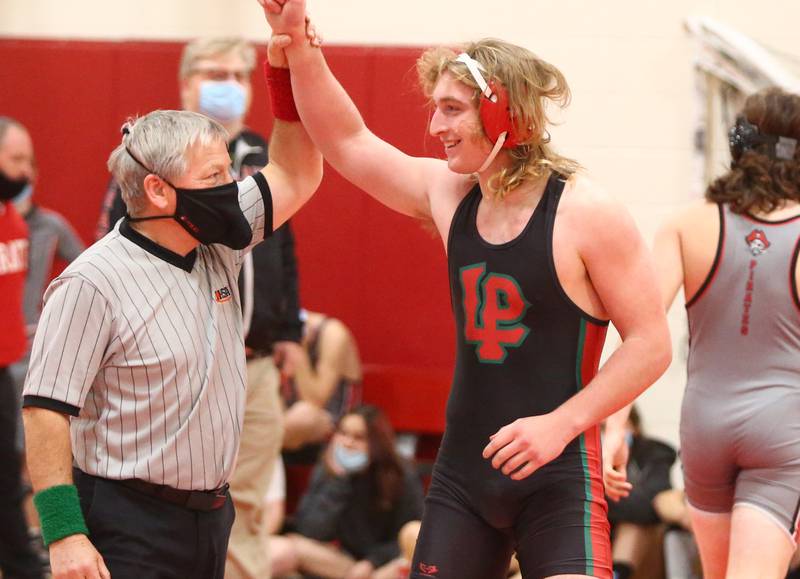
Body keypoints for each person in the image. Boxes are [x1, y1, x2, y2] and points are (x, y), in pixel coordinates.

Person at [260, 2, 672, 578]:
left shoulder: (587, 212)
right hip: (464, 477)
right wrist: (298, 45)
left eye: (452, 110)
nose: (435, 128)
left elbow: (651, 344)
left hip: (556, 474)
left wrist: (562, 424)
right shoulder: (451, 194)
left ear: (505, 114)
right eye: (436, 109)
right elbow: (348, 142)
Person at [20, 34, 322, 579]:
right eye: (214, 177)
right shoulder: (92, 281)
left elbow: (297, 173)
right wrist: (63, 533)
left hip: (211, 517)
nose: (231, 187)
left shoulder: (217, 240)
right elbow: (44, 411)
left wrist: (284, 62)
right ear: (158, 191)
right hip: (125, 516)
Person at [653, 87, 800, 579]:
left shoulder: (686, 222)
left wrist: (609, 428)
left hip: (703, 425)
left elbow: (641, 334)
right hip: (783, 428)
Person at [271, 405, 424, 579]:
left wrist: (372, 561)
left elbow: (411, 536)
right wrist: (338, 481)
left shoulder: (400, 473)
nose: (348, 442)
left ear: (377, 442)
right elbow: (308, 530)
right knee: (291, 545)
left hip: (383, 565)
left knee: (409, 553)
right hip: (344, 563)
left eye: (358, 437)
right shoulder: (329, 469)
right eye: (343, 433)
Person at [0, 117, 44, 579]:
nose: (27, 172)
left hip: (6, 367)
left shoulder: (15, 219)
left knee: (8, 481)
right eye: (16, 160)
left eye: (29, 161)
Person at [606, 406, 676, 579]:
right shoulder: (580, 460)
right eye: (600, 430)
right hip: (599, 535)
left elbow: (651, 503)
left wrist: (601, 496)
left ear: (633, 427)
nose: (606, 438)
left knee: (635, 524)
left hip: (641, 542)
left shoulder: (655, 452)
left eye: (608, 429)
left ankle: (618, 574)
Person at [282, 309, 362, 458]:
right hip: (286, 419)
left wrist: (299, 347)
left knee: (302, 416)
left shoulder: (332, 333)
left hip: (333, 420)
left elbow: (315, 401)